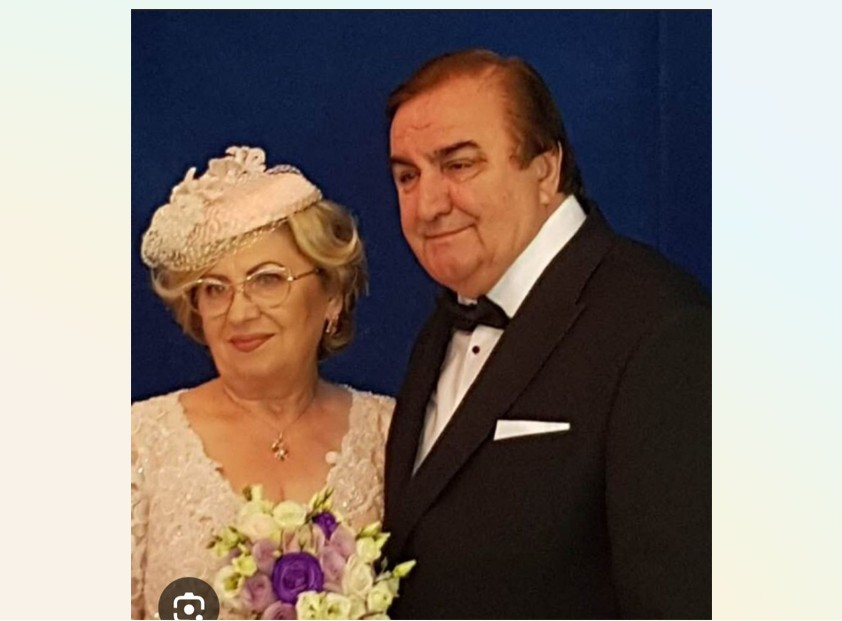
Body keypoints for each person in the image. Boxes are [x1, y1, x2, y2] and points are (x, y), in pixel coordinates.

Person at [382, 49, 711, 619]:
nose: (427, 205)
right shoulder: (445, 323)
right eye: (407, 176)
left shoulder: (660, 327)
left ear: (546, 168)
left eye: (459, 165)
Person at [131, 146, 393, 620]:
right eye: (215, 289)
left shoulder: (391, 435)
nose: (239, 312)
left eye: (267, 280)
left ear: (332, 295)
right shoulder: (136, 443)